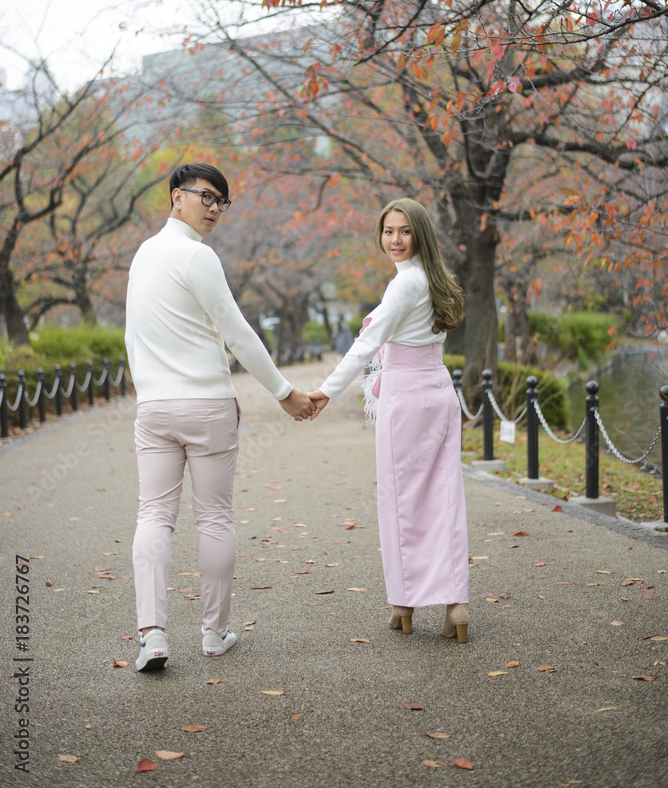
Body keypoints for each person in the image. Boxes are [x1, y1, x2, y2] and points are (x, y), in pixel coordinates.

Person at [125, 162, 314, 673]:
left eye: (220, 201)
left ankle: (153, 636)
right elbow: (239, 333)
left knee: (153, 515)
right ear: (175, 197)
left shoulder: (143, 255)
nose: (213, 208)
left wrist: (147, 390)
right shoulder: (197, 257)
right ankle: (212, 633)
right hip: (206, 404)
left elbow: (131, 336)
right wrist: (284, 392)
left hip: (155, 407)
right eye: (204, 197)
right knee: (213, 516)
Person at [308, 198, 469, 642]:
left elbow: (365, 345)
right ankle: (457, 601)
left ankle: (405, 600)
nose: (394, 239)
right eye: (388, 231)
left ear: (419, 234)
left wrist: (324, 391)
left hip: (407, 395)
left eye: (404, 231)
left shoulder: (404, 284)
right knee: (444, 494)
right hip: (438, 390)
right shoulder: (435, 279)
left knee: (402, 500)